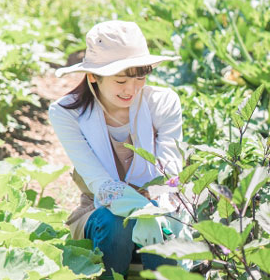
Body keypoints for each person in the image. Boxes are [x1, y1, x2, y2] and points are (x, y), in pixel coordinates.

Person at [49, 20, 187, 279]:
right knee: (115, 225)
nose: (132, 90)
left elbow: (170, 173)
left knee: (166, 225)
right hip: (100, 211)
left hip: (160, 203)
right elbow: (98, 181)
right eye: (121, 80)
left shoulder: (162, 103)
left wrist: (154, 209)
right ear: (93, 76)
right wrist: (139, 210)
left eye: (140, 78)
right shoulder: (67, 113)